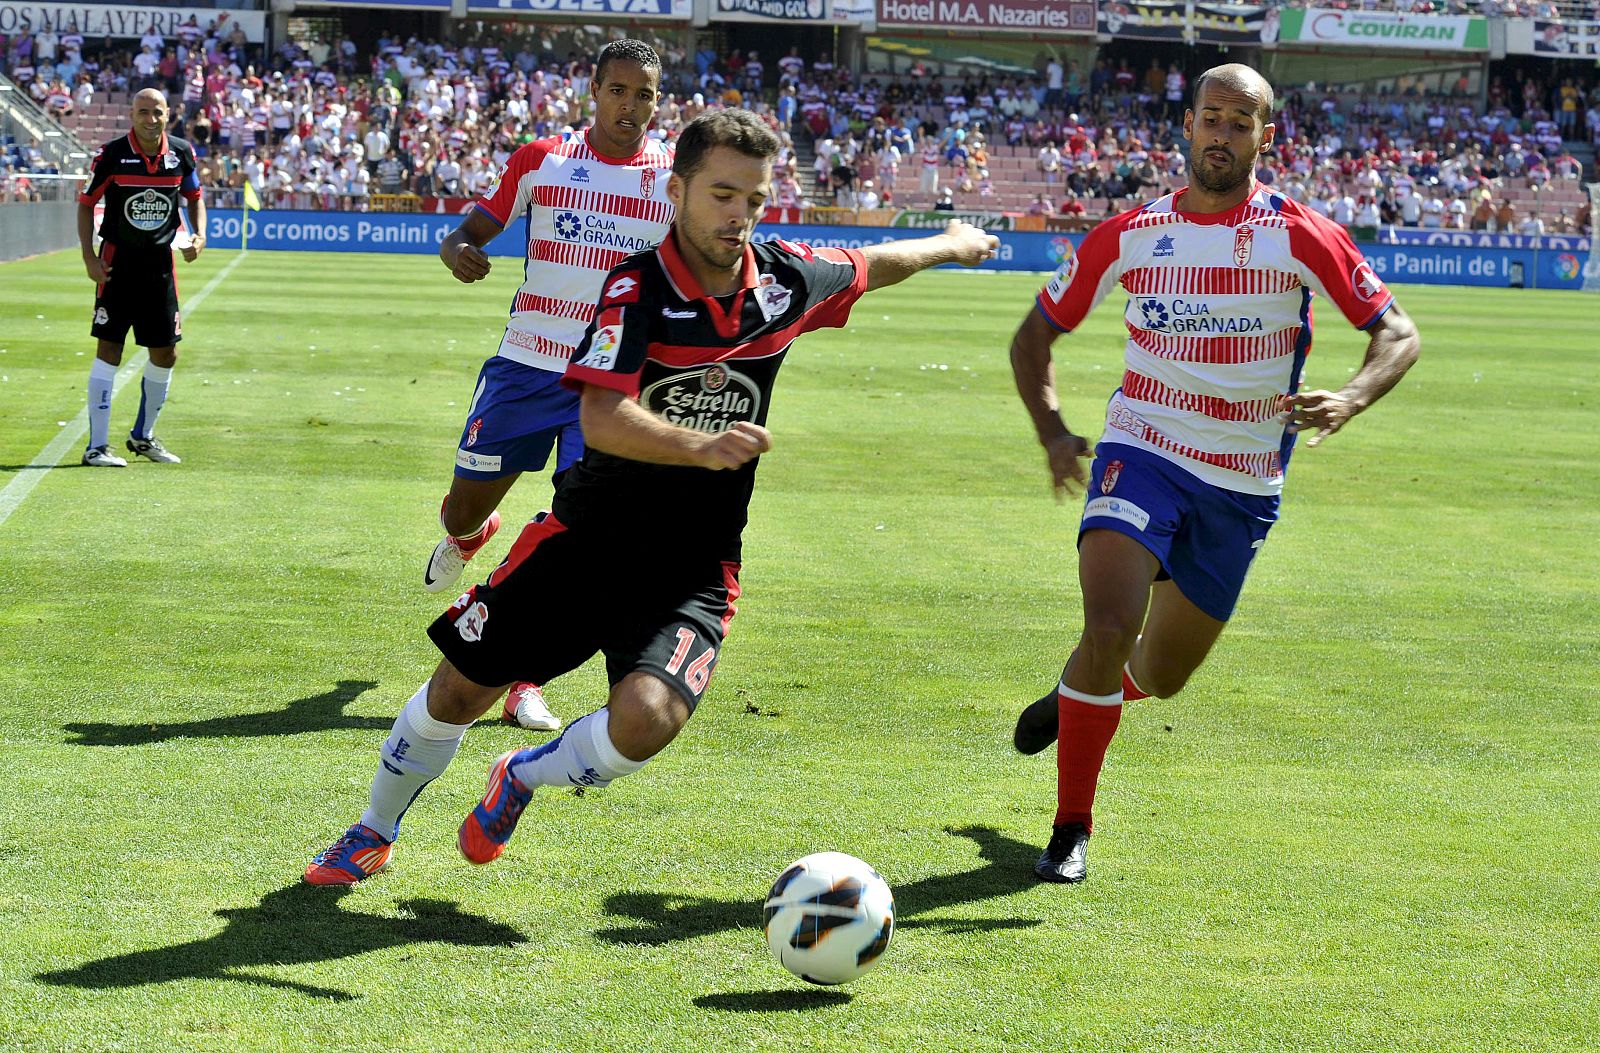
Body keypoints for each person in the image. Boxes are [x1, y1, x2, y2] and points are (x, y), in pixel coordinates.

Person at [302, 109, 999, 886]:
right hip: (584, 539)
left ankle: (522, 777)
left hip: (693, 568)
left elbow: (874, 262)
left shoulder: (785, 280)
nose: (738, 215)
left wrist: (955, 245)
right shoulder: (635, 287)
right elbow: (600, 417)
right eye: (721, 194)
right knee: (459, 689)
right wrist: (700, 445)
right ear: (678, 190)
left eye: (754, 200)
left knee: (646, 723)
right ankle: (372, 829)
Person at [1006, 64, 1420, 884]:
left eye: (1241, 120)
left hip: (1242, 479)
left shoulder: (1301, 233)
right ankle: (1070, 827)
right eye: (1211, 117)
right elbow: (1032, 339)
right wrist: (1054, 431)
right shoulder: (1125, 234)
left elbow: (1397, 333)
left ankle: (1080, 696)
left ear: (1266, 136)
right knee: (1109, 623)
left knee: (1161, 673)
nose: (1222, 133)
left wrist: (1352, 397)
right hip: (1142, 447)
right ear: (1187, 126)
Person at [424, 40, 676, 733]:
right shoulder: (543, 160)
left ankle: (521, 678)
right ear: (593, 90)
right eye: (619, 90)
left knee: (578, 537)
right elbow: (469, 229)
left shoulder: (671, 179)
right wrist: (457, 251)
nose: (632, 106)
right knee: (461, 510)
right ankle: (470, 537)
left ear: (659, 101)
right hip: (526, 365)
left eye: (645, 94)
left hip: (609, 383)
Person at [75, 88, 206, 467]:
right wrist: (89, 257)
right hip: (117, 265)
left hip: (160, 267)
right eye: (143, 112)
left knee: (166, 352)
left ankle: (143, 436)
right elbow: (86, 205)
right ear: (131, 115)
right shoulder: (112, 155)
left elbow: (195, 196)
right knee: (109, 348)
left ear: (169, 115)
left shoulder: (181, 152)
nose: (151, 119)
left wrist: (200, 234)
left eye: (158, 113)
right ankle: (97, 446)